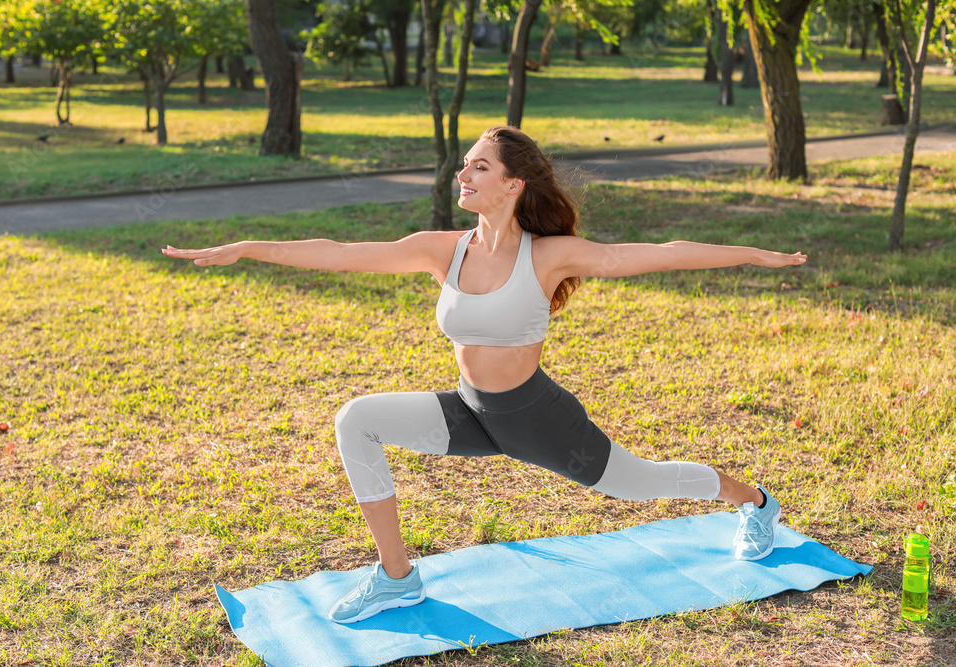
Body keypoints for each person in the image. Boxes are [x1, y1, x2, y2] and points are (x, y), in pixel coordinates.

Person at [163, 126, 807, 625]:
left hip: (538, 420)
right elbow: (340, 253)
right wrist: (247, 247)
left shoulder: (550, 255)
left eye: (479, 166)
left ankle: (754, 503)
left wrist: (752, 254)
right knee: (356, 419)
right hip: (472, 412)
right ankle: (396, 577)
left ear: (512, 186)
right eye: (464, 164)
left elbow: (659, 255)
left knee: (638, 483)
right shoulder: (443, 248)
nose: (463, 173)